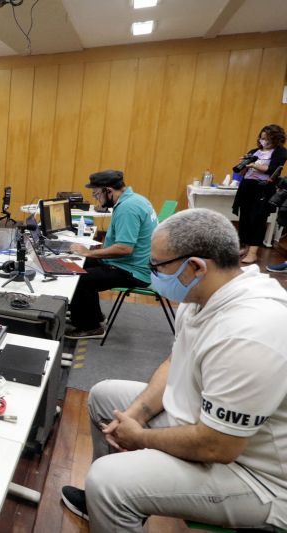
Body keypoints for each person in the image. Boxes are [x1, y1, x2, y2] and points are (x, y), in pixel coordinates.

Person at [61, 208, 287, 532]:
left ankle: (111, 500)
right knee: (104, 396)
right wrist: (137, 413)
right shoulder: (203, 296)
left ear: (194, 267)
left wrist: (141, 438)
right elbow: (175, 362)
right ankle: (108, 508)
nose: (151, 272)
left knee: (108, 482)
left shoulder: (250, 331)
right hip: (205, 424)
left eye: (156, 266)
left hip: (255, 475)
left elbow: (217, 447)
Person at [65, 170, 158, 339]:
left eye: (97, 194)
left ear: (109, 191)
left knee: (79, 278)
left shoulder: (127, 208)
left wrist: (88, 252)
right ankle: (92, 315)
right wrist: (90, 254)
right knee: (78, 265)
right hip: (134, 263)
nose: (96, 199)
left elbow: (124, 249)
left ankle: (91, 327)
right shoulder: (135, 199)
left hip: (134, 271)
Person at [233, 124, 287, 264]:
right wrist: (243, 166)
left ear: (276, 139)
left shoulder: (280, 152)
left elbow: (272, 170)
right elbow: (243, 173)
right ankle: (244, 247)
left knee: (257, 219)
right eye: (262, 138)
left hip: (262, 189)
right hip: (247, 187)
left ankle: (253, 252)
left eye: (268, 139)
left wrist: (254, 165)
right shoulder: (254, 151)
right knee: (244, 217)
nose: (264, 141)